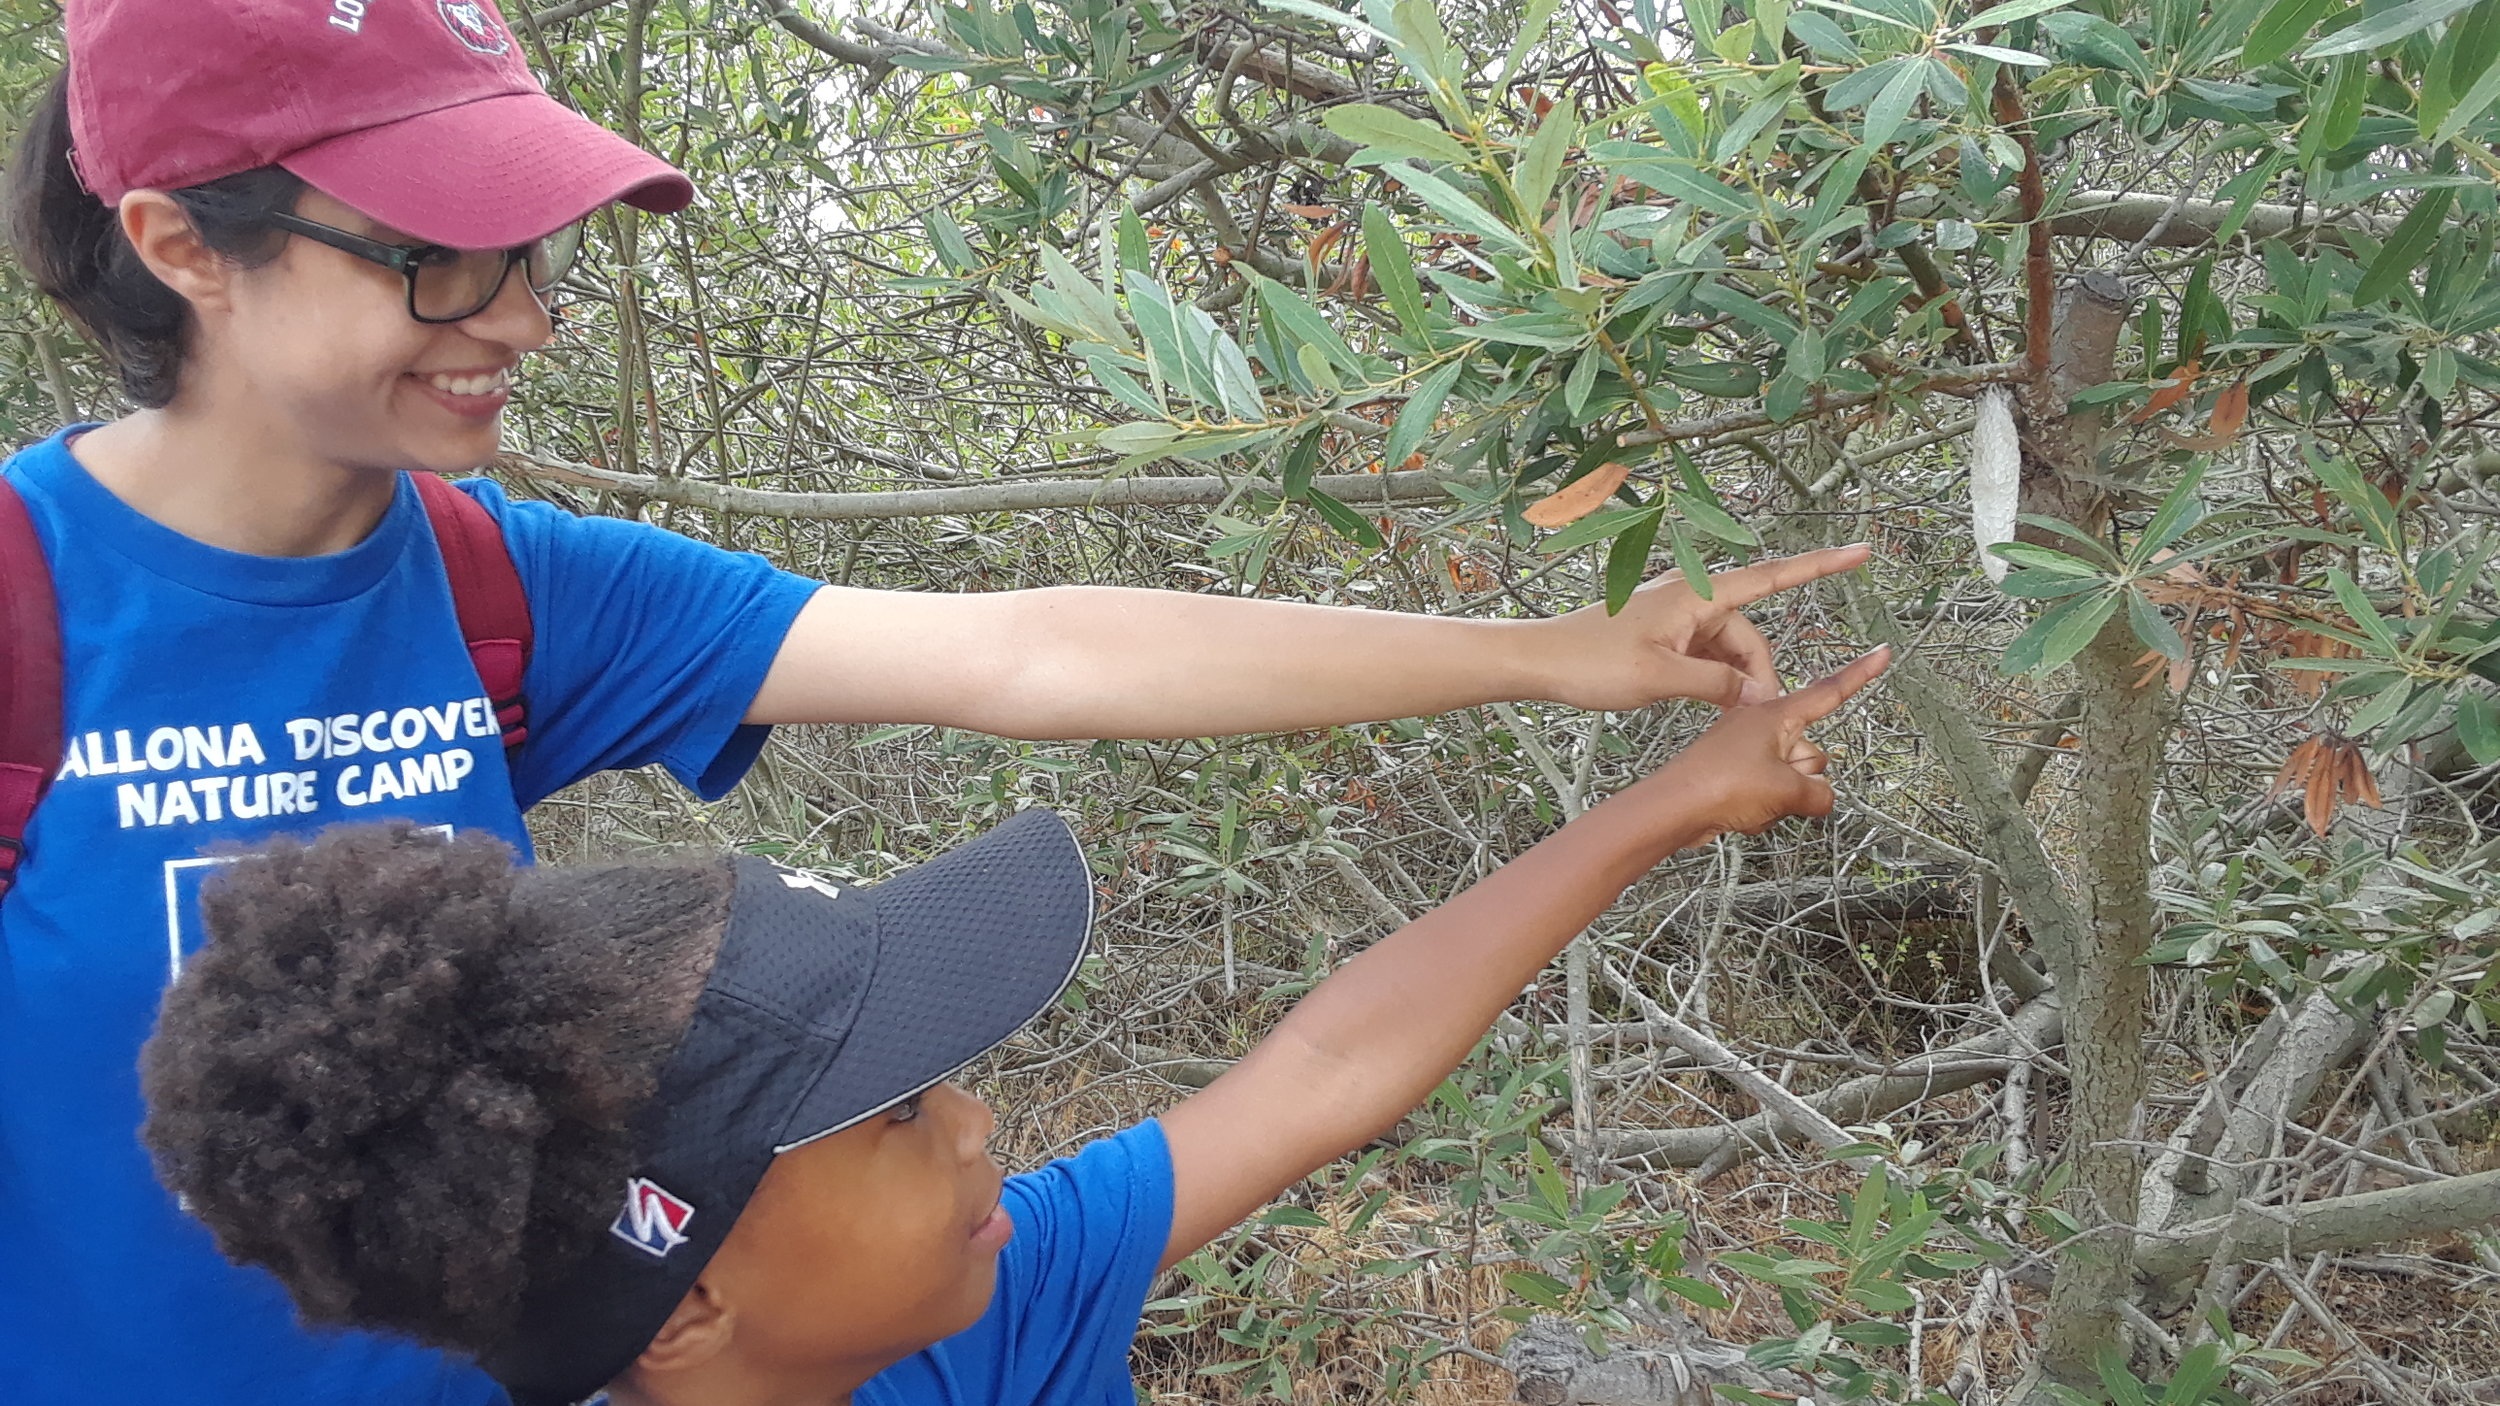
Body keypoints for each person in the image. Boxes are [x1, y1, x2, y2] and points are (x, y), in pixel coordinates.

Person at [6, 0, 1867, 1399]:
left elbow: (1030, 654)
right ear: (184, 248)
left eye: (535, 250)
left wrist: (1555, 656)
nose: (523, 316)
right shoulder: (31, 612)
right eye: (439, 256)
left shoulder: (505, 583)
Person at [139, 648, 1888, 1406]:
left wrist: (1665, 802)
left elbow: (1323, 1069)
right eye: (893, 1114)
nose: (978, 1125)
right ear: (693, 1298)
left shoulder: (962, 1319)